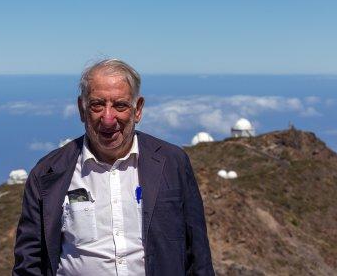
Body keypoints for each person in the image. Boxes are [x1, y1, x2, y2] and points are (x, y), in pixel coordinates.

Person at [13, 59, 214, 275]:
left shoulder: (172, 163)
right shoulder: (48, 174)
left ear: (138, 110)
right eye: (97, 105)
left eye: (120, 105)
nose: (108, 119)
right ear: (82, 109)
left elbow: (198, 255)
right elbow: (29, 264)